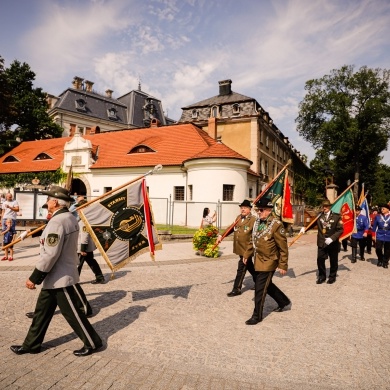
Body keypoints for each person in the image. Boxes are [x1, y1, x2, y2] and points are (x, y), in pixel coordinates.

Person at [10, 185, 102, 357]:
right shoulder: (68, 217)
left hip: (60, 277)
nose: (46, 202)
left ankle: (93, 342)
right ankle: (31, 345)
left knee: (73, 314)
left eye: (48, 199)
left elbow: (50, 254)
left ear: (54, 202)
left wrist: (34, 278)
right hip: (56, 276)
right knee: (41, 314)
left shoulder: (58, 221)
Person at [245, 197, 290, 325]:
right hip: (259, 260)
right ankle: (283, 301)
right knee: (266, 285)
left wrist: (283, 265)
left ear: (269, 210)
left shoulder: (276, 225)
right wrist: (247, 254)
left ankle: (257, 316)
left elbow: (283, 247)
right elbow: (253, 239)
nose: (259, 212)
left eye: (261, 210)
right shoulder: (258, 223)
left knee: (260, 288)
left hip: (269, 261)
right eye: (258, 210)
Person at [216, 199, 256, 296]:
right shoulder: (238, 218)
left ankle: (236, 288)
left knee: (241, 268)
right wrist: (222, 236)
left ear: (250, 209)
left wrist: (250, 249)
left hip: (247, 248)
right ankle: (260, 281)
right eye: (241, 208)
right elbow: (231, 228)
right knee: (249, 265)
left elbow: (254, 235)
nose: (242, 209)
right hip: (239, 247)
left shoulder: (253, 220)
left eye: (245, 208)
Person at [76, 199, 105, 284]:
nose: (77, 210)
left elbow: (84, 235)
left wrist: (82, 249)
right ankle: (100, 277)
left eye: (79, 208)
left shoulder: (84, 220)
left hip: (83, 247)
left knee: (78, 264)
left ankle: (74, 281)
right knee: (91, 261)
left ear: (84, 208)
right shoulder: (85, 218)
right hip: (87, 246)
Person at [316, 199, 344, 284]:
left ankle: (332, 277)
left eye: (326, 206)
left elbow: (340, 230)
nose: (324, 208)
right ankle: (322, 276)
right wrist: (304, 228)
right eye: (323, 206)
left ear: (330, 207)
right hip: (321, 242)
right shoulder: (319, 216)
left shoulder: (336, 217)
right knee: (320, 260)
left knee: (333, 260)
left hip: (332, 243)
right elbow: (312, 224)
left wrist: (332, 238)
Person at [372, 204, 390, 268]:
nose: (382, 210)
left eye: (383, 209)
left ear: (388, 210)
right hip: (380, 234)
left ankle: (385, 262)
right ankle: (380, 259)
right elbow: (374, 227)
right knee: (378, 248)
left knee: (387, 250)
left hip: (388, 235)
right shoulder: (378, 217)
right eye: (381, 209)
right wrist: (373, 235)